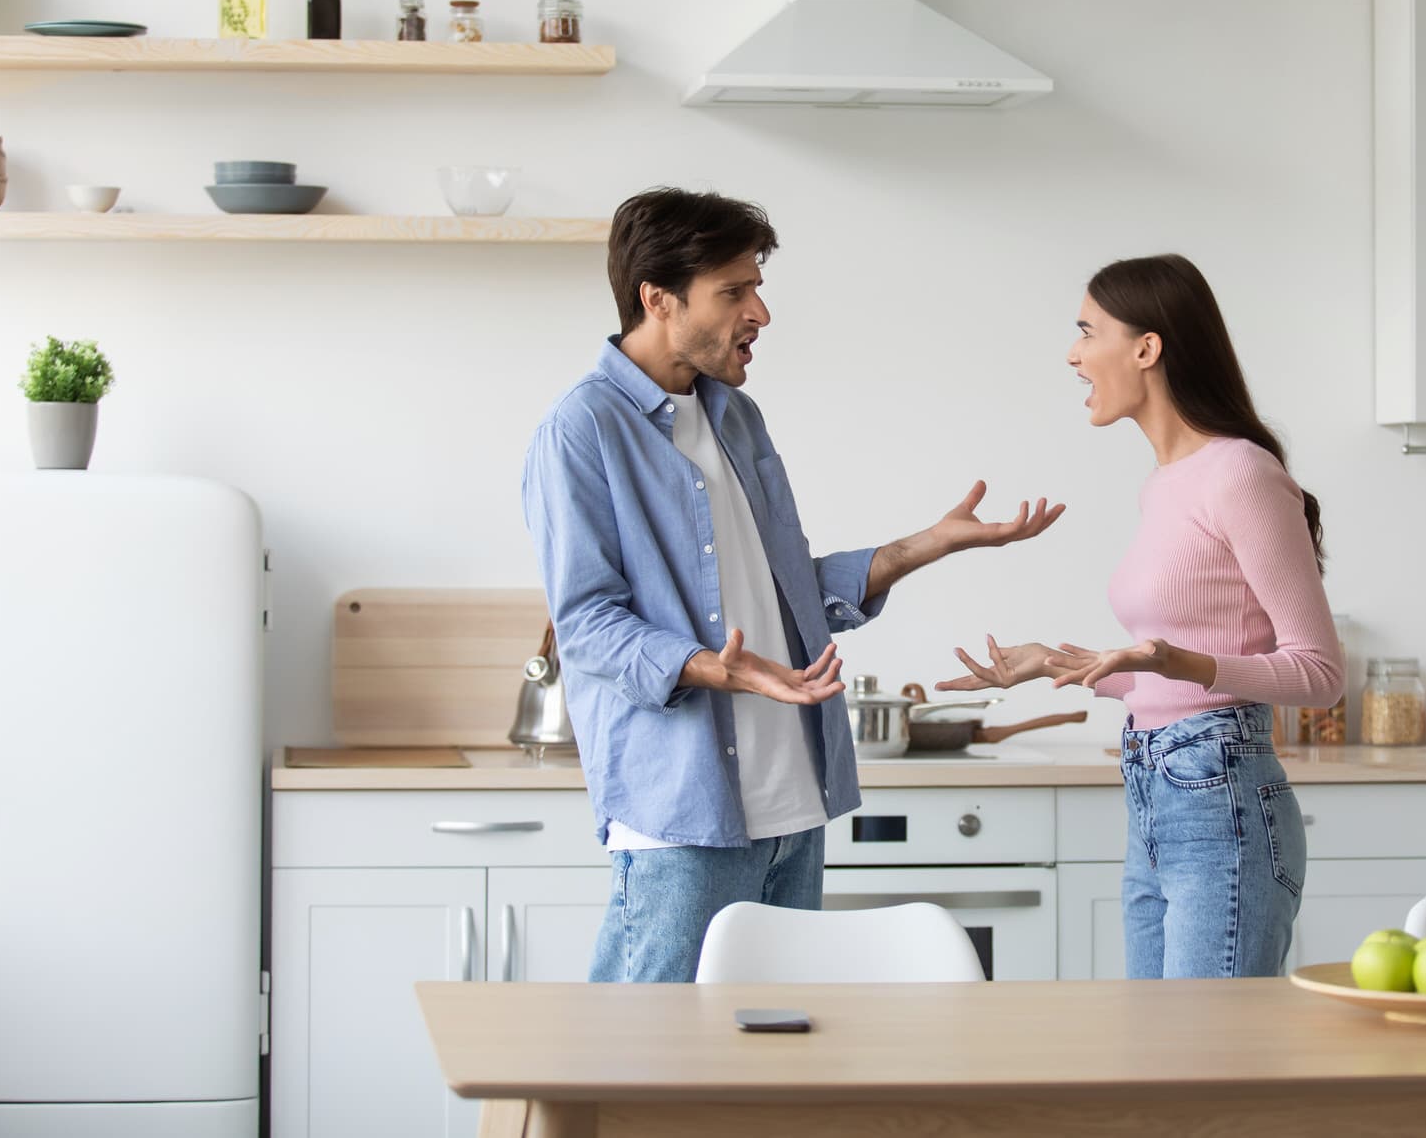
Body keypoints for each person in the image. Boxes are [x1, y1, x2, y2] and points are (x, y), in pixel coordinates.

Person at [523, 187, 1062, 983]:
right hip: (686, 821)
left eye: (757, 287)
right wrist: (709, 666)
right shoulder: (583, 430)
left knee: (764, 1072)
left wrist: (924, 545)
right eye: (734, 291)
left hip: (794, 808)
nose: (760, 313)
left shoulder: (736, 417)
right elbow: (588, 625)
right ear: (658, 299)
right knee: (644, 1071)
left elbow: (783, 593)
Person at [938, 253, 1341, 979]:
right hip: (1158, 789)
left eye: (1087, 331)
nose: (1073, 353)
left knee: (1202, 1068)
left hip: (1222, 802)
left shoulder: (1241, 473)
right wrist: (1057, 663)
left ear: (1146, 348)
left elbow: (1319, 674)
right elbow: (1167, 674)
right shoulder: (1165, 484)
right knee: (1158, 1054)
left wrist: (1171, 658)